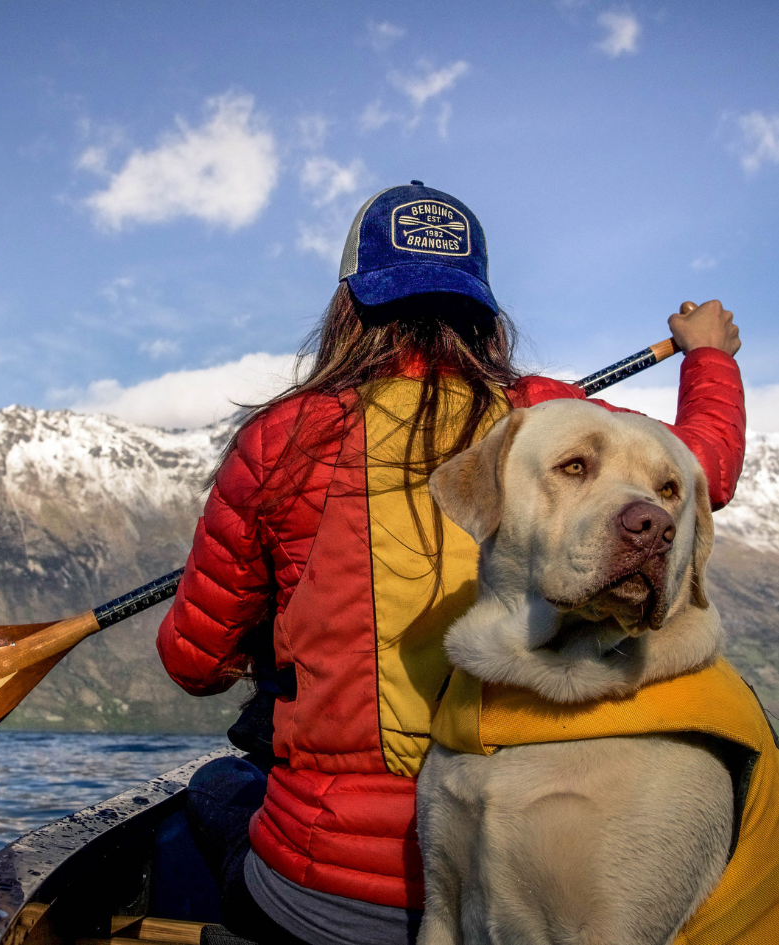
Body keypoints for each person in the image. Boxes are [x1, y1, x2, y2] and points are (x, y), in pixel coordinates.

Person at [156, 183, 745, 945]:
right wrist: (708, 358)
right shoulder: (545, 414)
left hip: (321, 893)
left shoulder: (278, 441)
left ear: (349, 305)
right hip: (511, 876)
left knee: (213, 788)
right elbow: (700, 472)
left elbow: (193, 664)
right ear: (482, 309)